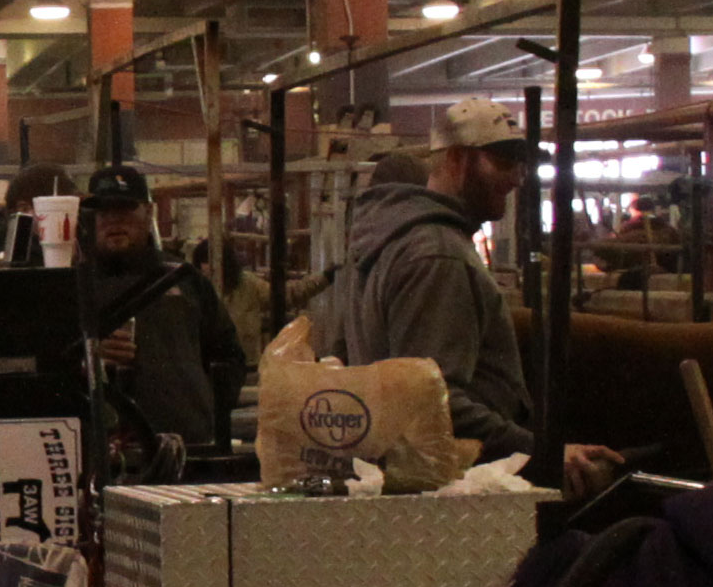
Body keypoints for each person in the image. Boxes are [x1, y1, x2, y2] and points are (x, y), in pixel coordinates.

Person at [310, 98, 615, 490]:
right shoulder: (436, 253)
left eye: (520, 164)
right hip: (460, 478)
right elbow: (434, 399)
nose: (517, 177)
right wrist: (542, 450)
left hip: (408, 471)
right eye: (503, 162)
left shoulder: (386, 242)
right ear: (457, 159)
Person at [74, 161, 248, 463]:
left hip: (187, 449)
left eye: (126, 209)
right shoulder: (73, 285)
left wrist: (206, 414)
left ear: (149, 212)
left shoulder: (183, 279)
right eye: (104, 211)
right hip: (102, 457)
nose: (114, 220)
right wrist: (91, 357)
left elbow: (228, 355)